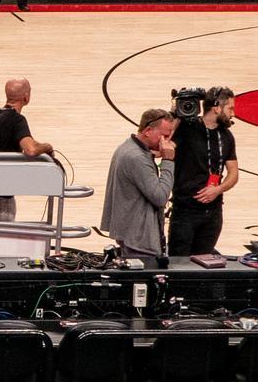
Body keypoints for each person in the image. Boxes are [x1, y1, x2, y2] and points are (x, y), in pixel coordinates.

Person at [167, 88, 240, 257]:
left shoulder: (227, 136)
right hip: (185, 211)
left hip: (213, 213)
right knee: (179, 263)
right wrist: (176, 112)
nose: (233, 114)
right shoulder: (186, 128)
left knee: (204, 263)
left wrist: (218, 189)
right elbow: (165, 141)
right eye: (230, 108)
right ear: (216, 108)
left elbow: (233, 173)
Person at [0, 78, 53, 222]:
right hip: (0, 196)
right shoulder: (17, 120)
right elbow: (31, 149)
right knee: (4, 241)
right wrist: (47, 147)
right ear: (26, 97)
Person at [102, 108, 179, 259]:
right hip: (140, 240)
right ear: (148, 131)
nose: (168, 141)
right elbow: (160, 197)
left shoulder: (128, 147)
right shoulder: (137, 158)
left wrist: (151, 155)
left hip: (132, 234)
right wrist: (168, 160)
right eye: (164, 136)